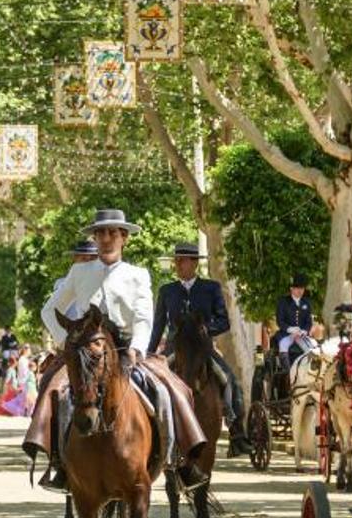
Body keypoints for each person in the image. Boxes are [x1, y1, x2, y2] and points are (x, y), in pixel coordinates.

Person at [26, 208, 208, 493]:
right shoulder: (79, 271)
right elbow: (49, 310)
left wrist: (137, 348)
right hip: (87, 350)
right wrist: (66, 342)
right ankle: (58, 463)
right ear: (95, 239)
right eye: (101, 234)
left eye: (113, 233)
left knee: (170, 388)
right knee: (54, 387)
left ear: (124, 238)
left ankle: (180, 459)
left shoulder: (138, 275)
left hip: (125, 349)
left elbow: (144, 317)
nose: (106, 239)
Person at [148, 242, 252, 457]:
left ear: (194, 263)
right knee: (151, 381)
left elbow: (224, 321)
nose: (178, 264)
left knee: (229, 378)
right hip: (175, 348)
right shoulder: (167, 291)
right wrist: (150, 353)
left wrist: (206, 329)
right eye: (176, 260)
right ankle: (150, 427)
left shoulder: (211, 288)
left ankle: (236, 431)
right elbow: (158, 325)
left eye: (182, 260)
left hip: (203, 349)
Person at [274, 273, 315, 365]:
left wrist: (305, 330)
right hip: (286, 334)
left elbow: (308, 321)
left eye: (302, 288)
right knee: (283, 346)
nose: (300, 291)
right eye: (297, 288)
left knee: (312, 348)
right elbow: (280, 321)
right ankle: (286, 373)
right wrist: (290, 329)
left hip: (301, 335)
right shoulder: (283, 302)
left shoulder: (306, 303)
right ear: (291, 289)